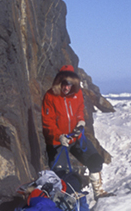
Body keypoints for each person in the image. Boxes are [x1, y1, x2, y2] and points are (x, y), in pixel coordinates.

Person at [40, 65, 107, 197]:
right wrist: (59, 136)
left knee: (95, 159)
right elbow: (47, 121)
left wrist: (80, 121)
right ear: (59, 82)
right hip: (57, 141)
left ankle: (98, 193)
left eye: (70, 84)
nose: (66, 88)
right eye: (64, 84)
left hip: (75, 137)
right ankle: (65, 204)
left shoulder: (77, 94)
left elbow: (79, 110)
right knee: (60, 175)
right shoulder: (50, 96)